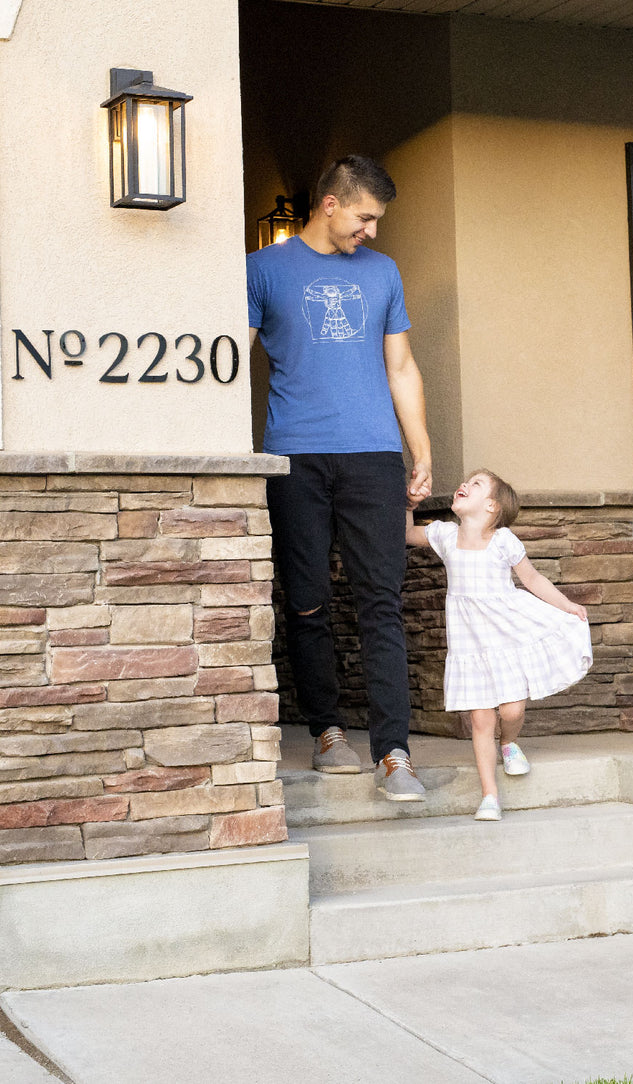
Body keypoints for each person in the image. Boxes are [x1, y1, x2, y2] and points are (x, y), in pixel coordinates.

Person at [247, 155, 431, 802]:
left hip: (373, 457)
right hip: (295, 456)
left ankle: (394, 752)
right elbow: (227, 357)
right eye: (365, 217)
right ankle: (327, 730)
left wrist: (420, 450)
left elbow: (401, 367)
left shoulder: (382, 273)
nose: (372, 232)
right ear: (330, 204)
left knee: (380, 601)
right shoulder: (263, 269)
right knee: (307, 600)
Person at [406, 469, 592, 820]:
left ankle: (509, 742)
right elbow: (406, 533)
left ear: (491, 506)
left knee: (511, 711)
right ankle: (489, 795)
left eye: (475, 484)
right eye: (465, 481)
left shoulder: (504, 540)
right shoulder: (445, 535)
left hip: (508, 635)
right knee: (480, 721)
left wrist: (566, 605)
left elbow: (532, 579)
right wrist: (409, 502)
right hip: (470, 645)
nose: (463, 485)